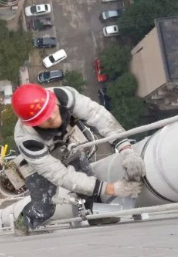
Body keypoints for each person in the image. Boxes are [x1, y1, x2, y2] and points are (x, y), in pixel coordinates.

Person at [11, 83, 145, 234]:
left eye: (52, 110)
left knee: (87, 179)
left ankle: (95, 215)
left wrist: (126, 149)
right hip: (42, 160)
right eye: (46, 120)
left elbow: (98, 116)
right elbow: (60, 176)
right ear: (33, 124)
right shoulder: (28, 140)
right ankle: (25, 220)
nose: (54, 118)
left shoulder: (63, 96)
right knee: (44, 204)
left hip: (66, 143)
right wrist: (112, 189)